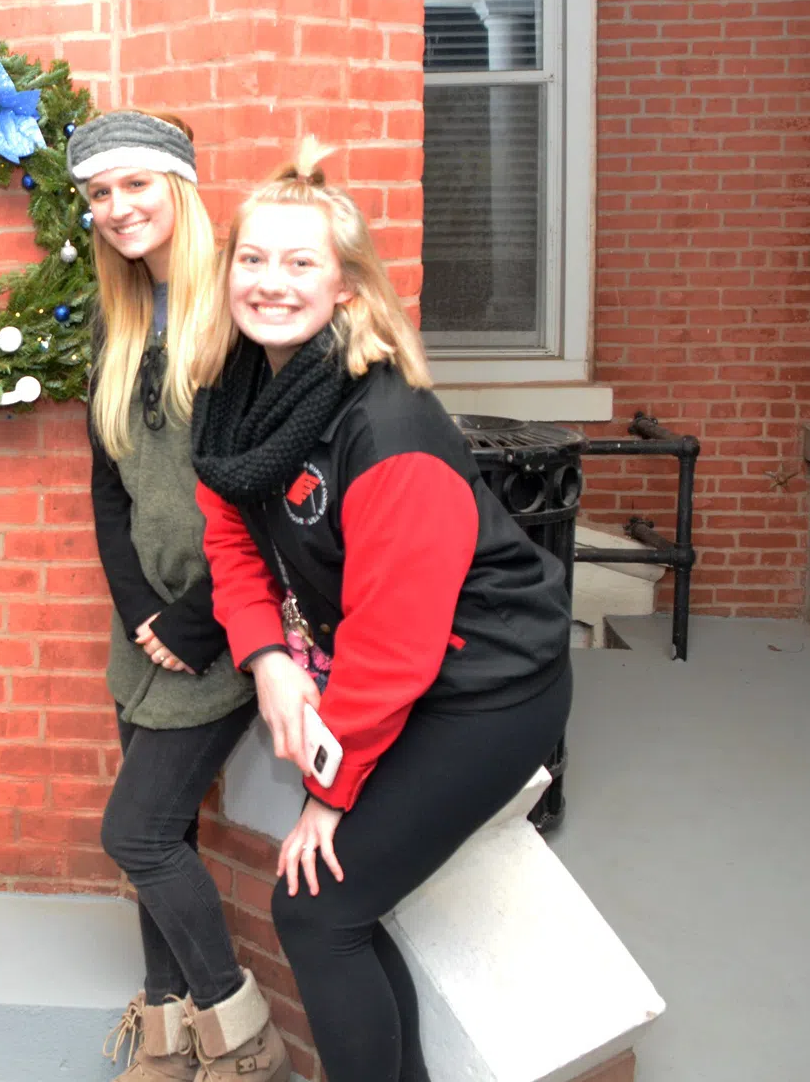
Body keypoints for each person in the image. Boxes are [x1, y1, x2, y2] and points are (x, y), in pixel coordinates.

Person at [187, 138, 573, 1082]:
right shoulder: (237, 402)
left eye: (300, 262)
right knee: (338, 912)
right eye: (252, 258)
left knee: (319, 908)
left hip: (487, 688)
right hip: (401, 670)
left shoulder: (387, 426)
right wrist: (269, 658)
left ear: (347, 291)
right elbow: (233, 544)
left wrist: (331, 791)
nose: (270, 283)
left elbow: (396, 644)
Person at [76, 112, 286, 1082]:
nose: (117, 208)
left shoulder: (239, 311)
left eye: (134, 185)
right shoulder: (119, 317)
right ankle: (163, 1033)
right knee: (168, 834)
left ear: (180, 188)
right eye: (98, 193)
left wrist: (200, 616)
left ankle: (242, 1039)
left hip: (229, 619)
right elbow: (108, 481)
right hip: (146, 627)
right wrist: (140, 609)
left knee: (138, 830)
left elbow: (274, 481)